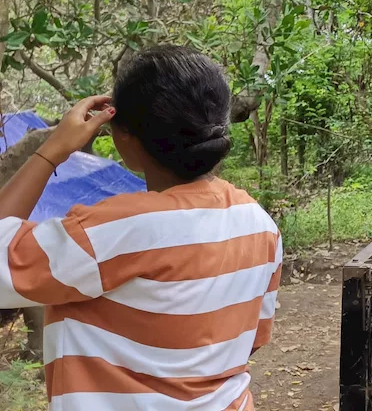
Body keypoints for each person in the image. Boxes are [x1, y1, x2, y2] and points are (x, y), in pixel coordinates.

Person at [0, 46, 281, 410]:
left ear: (124, 137)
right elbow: (251, 339)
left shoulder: (112, 231)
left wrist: (50, 150)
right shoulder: (259, 223)